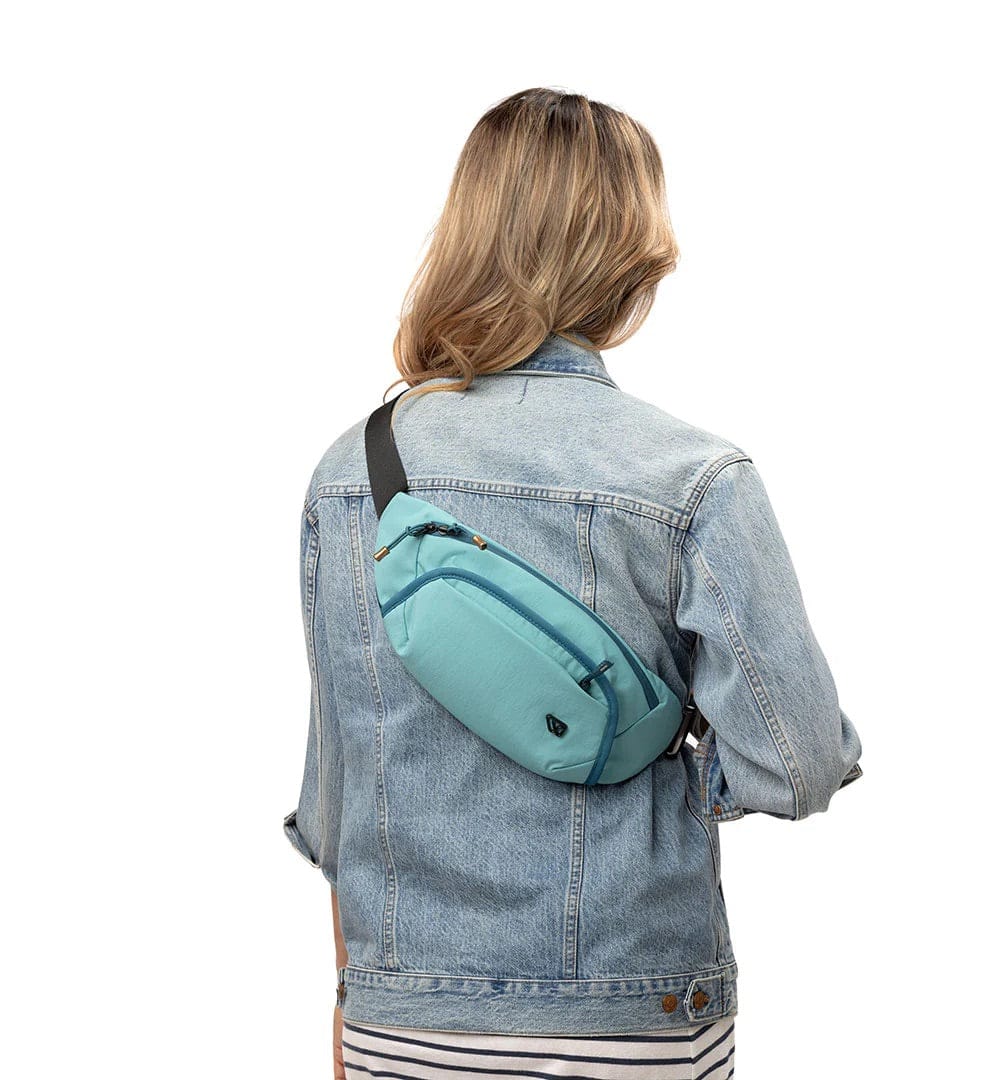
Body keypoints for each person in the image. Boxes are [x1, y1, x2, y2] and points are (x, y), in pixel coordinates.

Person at [283, 86, 864, 1080]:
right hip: (629, 1009)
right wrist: (654, 759)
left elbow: (336, 797)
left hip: (399, 1014)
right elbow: (799, 763)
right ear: (630, 255)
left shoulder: (349, 474)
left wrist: (352, 1016)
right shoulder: (693, 478)